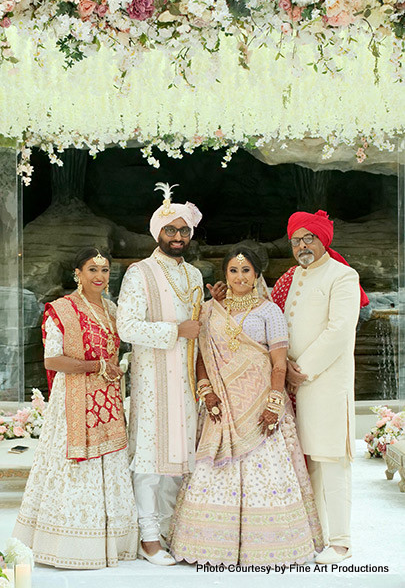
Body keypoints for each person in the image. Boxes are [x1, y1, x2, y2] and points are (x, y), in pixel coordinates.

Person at [169, 246, 323, 566]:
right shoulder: (210, 311)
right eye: (233, 271)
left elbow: (278, 364)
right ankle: (210, 544)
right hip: (221, 407)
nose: (240, 277)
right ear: (225, 275)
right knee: (214, 470)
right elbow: (201, 358)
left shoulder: (270, 312)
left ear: (256, 275)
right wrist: (206, 391)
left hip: (259, 404)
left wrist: (274, 403)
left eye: (246, 271)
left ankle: (269, 544)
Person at [13, 247, 138, 569]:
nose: (99, 276)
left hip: (107, 401)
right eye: (92, 270)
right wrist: (97, 365)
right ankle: (69, 543)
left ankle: (110, 542)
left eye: (105, 270)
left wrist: (119, 364)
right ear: (77, 274)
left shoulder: (113, 309)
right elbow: (52, 360)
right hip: (73, 401)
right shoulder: (61, 309)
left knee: (108, 465)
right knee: (75, 470)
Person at [117, 183, 210, 566]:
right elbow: (126, 328)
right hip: (154, 381)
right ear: (158, 233)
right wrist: (175, 330)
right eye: (171, 230)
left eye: (184, 230)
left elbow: (203, 326)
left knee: (180, 458)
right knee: (151, 459)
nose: (178, 236)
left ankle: (172, 530)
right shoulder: (139, 273)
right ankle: (148, 537)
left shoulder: (195, 275)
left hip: (186, 382)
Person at [270, 210, 369, 564]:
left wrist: (302, 370)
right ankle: (317, 535)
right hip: (295, 383)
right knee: (308, 461)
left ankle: (341, 541)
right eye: (296, 240)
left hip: (324, 383)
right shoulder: (295, 275)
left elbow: (340, 330)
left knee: (332, 459)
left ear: (322, 238)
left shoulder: (343, 275)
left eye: (308, 238)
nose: (301, 246)